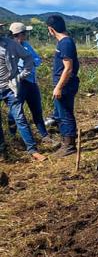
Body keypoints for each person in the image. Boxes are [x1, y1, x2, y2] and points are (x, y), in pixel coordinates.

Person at [0, 24, 46, 161]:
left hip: (10, 88)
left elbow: (28, 58)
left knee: (19, 118)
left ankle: (32, 150)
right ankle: (3, 152)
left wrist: (21, 76)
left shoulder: (10, 45)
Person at [6, 23, 57, 148]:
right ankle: (12, 137)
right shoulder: (8, 48)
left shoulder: (26, 45)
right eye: (25, 33)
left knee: (37, 110)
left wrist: (31, 62)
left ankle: (44, 136)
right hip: (18, 84)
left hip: (31, 82)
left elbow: (37, 59)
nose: (27, 35)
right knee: (14, 113)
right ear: (19, 34)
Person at [47, 15, 80, 157]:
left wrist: (59, 87)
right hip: (63, 84)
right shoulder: (63, 42)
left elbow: (68, 68)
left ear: (51, 29)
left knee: (65, 114)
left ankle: (69, 146)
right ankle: (66, 141)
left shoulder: (65, 43)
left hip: (65, 85)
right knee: (61, 114)